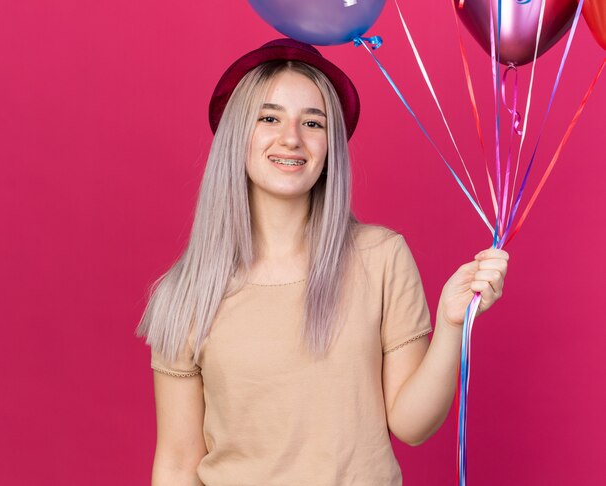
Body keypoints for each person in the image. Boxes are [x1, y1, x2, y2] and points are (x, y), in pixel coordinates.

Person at [136, 38, 509, 486]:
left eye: (312, 122)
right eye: (269, 117)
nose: (291, 137)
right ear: (239, 135)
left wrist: (452, 325)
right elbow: (177, 463)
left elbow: (413, 424)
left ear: (330, 147)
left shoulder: (381, 258)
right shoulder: (186, 294)